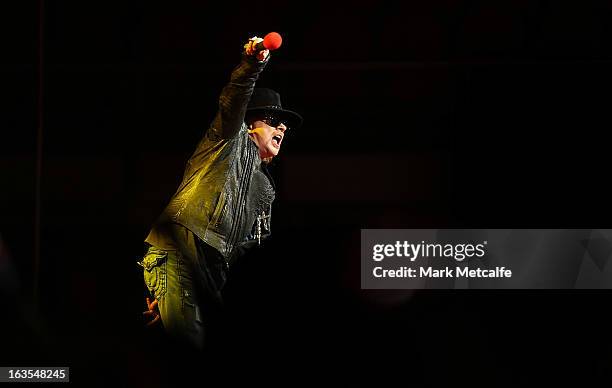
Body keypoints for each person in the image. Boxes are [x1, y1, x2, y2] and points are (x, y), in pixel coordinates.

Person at [139, 35, 302, 349]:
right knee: (188, 342)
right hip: (179, 249)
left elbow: (250, 248)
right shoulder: (225, 141)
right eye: (272, 120)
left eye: (284, 126)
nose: (281, 128)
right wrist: (252, 64)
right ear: (248, 123)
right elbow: (235, 97)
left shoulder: (265, 189)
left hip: (212, 273)